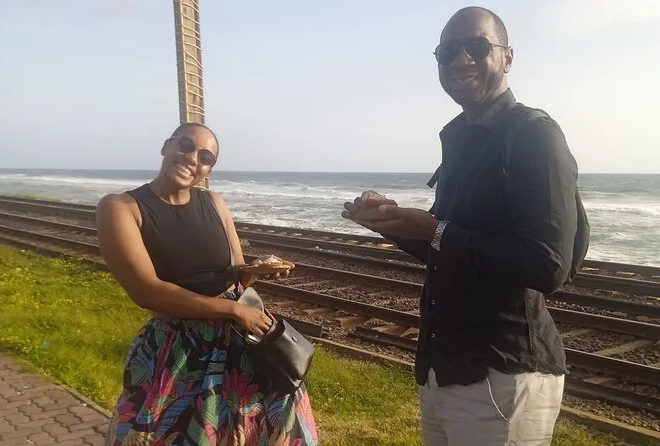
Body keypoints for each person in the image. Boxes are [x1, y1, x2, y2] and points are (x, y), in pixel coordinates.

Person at [343, 6, 577, 445]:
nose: (461, 59)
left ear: (507, 57)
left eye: (477, 46)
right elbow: (447, 246)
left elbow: (548, 265)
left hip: (501, 372)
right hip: (444, 365)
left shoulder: (533, 134)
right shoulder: (458, 137)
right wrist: (391, 224)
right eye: (448, 51)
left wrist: (434, 229)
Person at [97, 122, 318, 445]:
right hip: (181, 350)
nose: (192, 158)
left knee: (265, 428)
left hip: (243, 340)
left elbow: (236, 274)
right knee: (174, 434)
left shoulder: (214, 202)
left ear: (209, 169)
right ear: (166, 146)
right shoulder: (121, 207)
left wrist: (256, 270)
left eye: (205, 157)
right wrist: (233, 310)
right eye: (185, 145)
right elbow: (146, 291)